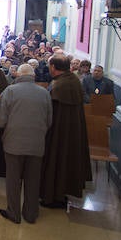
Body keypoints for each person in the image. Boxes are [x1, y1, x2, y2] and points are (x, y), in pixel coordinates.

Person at [0, 64, 52, 224]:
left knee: (13, 179)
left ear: (18, 75)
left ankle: (14, 212)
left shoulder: (10, 91)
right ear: (33, 76)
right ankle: (31, 213)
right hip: (37, 143)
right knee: (33, 180)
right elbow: (49, 121)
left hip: (13, 142)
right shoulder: (44, 93)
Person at [39, 55, 92, 208]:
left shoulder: (59, 86)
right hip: (71, 130)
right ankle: (59, 193)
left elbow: (50, 109)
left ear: (54, 67)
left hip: (58, 131)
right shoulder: (73, 80)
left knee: (56, 160)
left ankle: (52, 196)